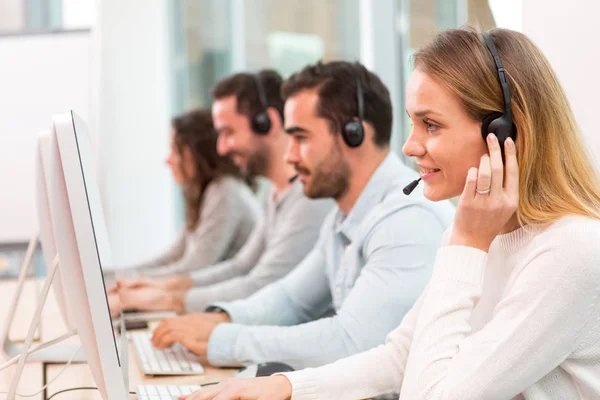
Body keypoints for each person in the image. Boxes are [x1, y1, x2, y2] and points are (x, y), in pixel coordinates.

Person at [183, 27, 600, 400]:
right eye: (413, 123)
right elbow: (401, 356)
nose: (410, 146)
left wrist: (468, 245)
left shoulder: (567, 252)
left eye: (431, 125)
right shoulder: (480, 233)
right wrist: (284, 387)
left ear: (504, 134)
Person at [150, 61, 455, 370]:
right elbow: (290, 299)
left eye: (301, 137)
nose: (289, 155)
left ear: (354, 133)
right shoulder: (343, 218)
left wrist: (225, 339)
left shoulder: (406, 220)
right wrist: (221, 318)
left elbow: (350, 343)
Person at [114, 70, 333, 313]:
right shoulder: (275, 194)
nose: (221, 147)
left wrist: (160, 298)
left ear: (266, 123)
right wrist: (159, 288)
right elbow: (241, 267)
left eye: (229, 133)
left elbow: (260, 285)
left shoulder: (308, 199)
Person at [113, 108, 261, 280]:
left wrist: (124, 281)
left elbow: (195, 267)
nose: (168, 160)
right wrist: (114, 276)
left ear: (198, 152)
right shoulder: (208, 193)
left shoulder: (225, 192)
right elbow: (174, 256)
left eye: (176, 150)